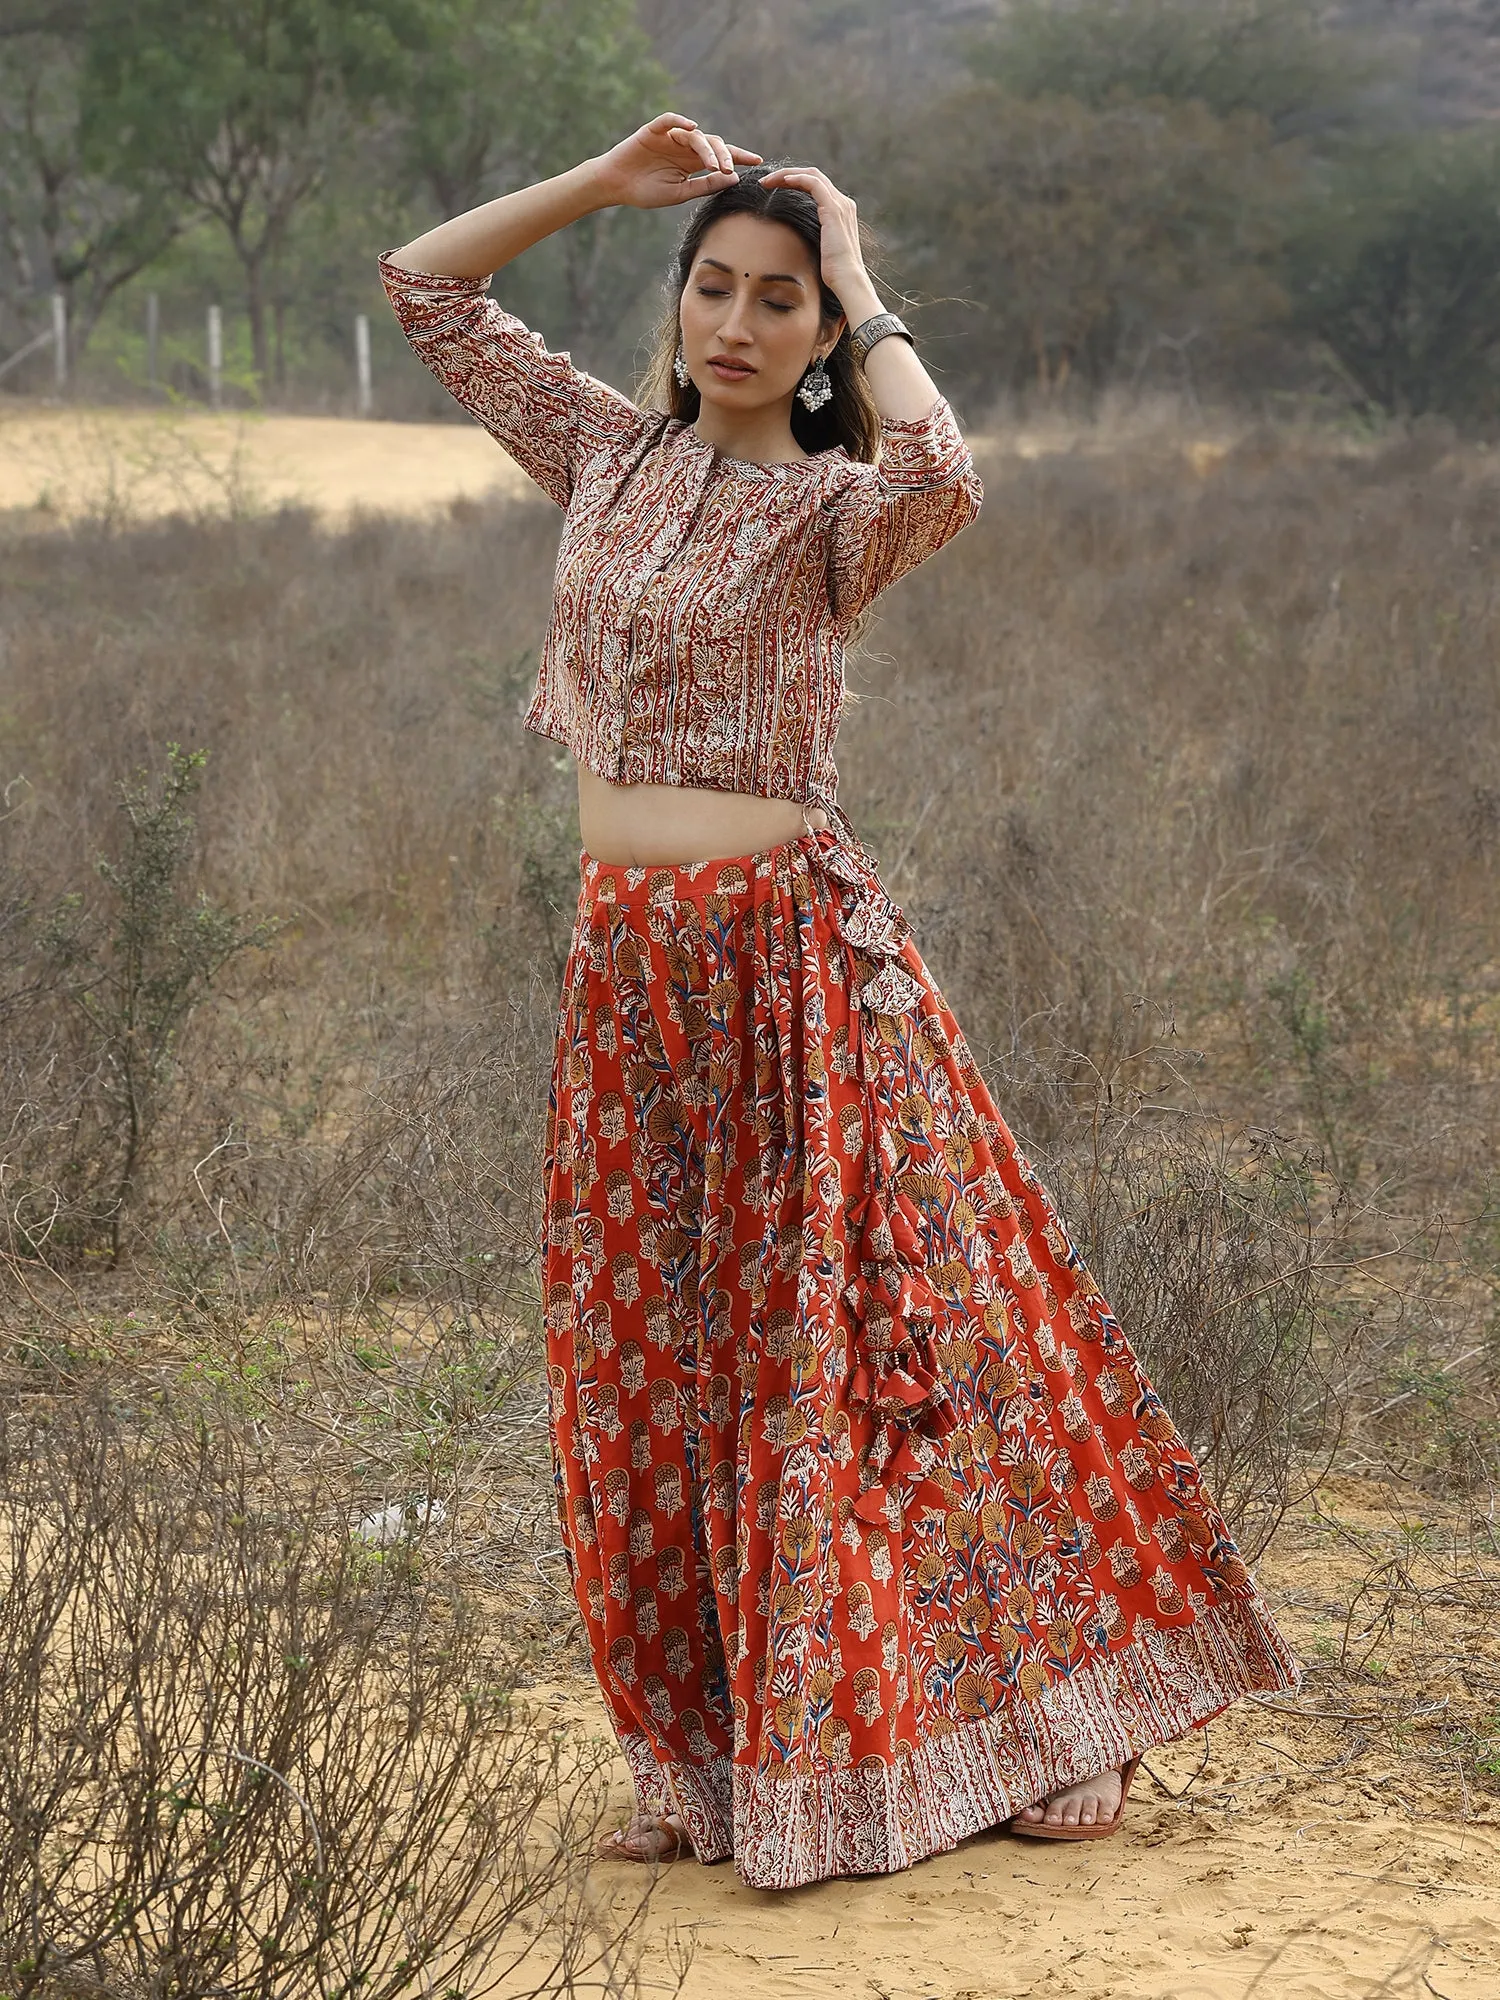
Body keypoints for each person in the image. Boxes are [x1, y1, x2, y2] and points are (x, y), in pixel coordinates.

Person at [381, 112, 1299, 1891]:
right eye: (714, 288)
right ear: (675, 308)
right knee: (655, 1361)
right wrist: (601, 182)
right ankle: (713, 1750)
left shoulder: (830, 515)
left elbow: (948, 474)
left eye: (779, 302)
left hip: (791, 971)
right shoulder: (600, 456)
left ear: (816, 338)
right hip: (632, 973)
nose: (738, 323)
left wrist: (866, 276)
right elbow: (427, 290)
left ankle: (1038, 1717)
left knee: (872, 1355)